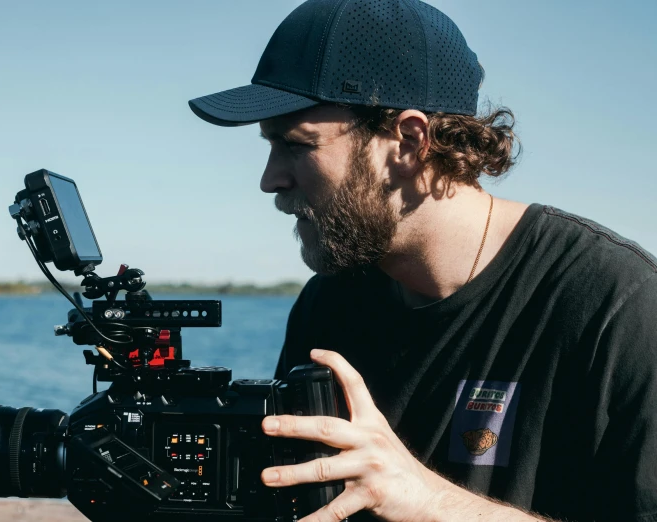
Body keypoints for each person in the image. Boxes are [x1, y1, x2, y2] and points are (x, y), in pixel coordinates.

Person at [188, 0, 657, 520]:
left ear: (408, 142)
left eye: (297, 146)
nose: (270, 179)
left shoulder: (619, 305)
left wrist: (427, 500)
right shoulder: (332, 301)